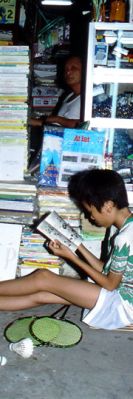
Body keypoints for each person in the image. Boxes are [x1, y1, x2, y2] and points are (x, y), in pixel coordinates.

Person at [0, 169, 133, 331]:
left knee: (43, 277)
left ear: (108, 206)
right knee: (43, 296)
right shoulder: (126, 227)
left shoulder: (124, 237)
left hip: (121, 305)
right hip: (119, 296)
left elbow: (110, 284)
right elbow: (106, 270)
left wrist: (72, 257)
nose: (90, 217)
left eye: (90, 212)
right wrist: (77, 246)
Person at [30, 55, 82, 129]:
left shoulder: (89, 97)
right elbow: (58, 127)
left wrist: (57, 119)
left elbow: (83, 125)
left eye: (74, 68)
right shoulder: (69, 96)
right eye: (66, 69)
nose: (68, 72)